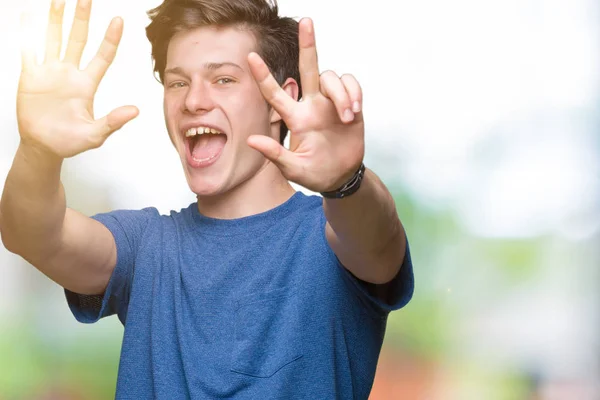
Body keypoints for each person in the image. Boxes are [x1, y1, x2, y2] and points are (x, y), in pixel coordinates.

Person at [0, 0, 414, 398]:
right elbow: (35, 234)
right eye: (178, 82)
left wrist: (346, 182)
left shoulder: (332, 234)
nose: (193, 101)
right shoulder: (147, 247)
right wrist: (38, 149)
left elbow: (377, 237)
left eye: (223, 79)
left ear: (278, 102)